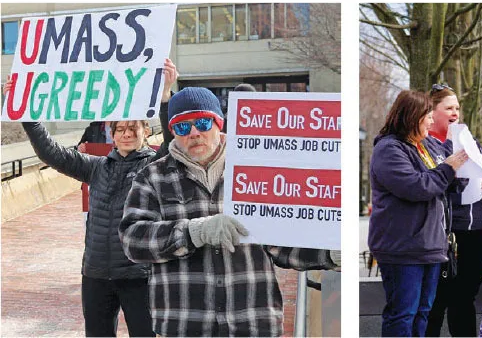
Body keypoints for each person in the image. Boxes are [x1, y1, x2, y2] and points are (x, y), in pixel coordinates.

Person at [120, 87, 339, 337]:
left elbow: (282, 243)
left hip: (252, 323)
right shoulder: (152, 176)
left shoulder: (256, 169)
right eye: (182, 126)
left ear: (219, 123)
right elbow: (132, 240)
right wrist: (193, 232)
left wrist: (330, 253)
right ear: (173, 132)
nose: (194, 133)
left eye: (203, 123)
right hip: (186, 325)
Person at [5, 61, 176, 337]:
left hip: (139, 275)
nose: (126, 134)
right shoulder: (96, 167)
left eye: (133, 128)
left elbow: (172, 145)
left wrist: (166, 95)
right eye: (120, 129)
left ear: (146, 131)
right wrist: (28, 114)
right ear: (112, 134)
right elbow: (51, 152)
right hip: (95, 275)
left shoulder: (153, 167)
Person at [368, 89, 469, 337]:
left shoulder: (428, 145)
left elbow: (448, 177)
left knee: (423, 312)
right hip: (402, 247)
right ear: (412, 117)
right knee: (403, 314)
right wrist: (449, 170)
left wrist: (463, 174)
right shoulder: (389, 150)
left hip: (430, 245)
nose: (432, 121)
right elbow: (417, 187)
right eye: (428, 116)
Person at [425, 85, 482, 338]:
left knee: (465, 299)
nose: (455, 113)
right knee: (437, 300)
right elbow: (426, 185)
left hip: (475, 230)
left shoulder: (469, 141)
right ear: (432, 112)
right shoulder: (425, 144)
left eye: (457, 108)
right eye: (449, 108)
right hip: (445, 233)